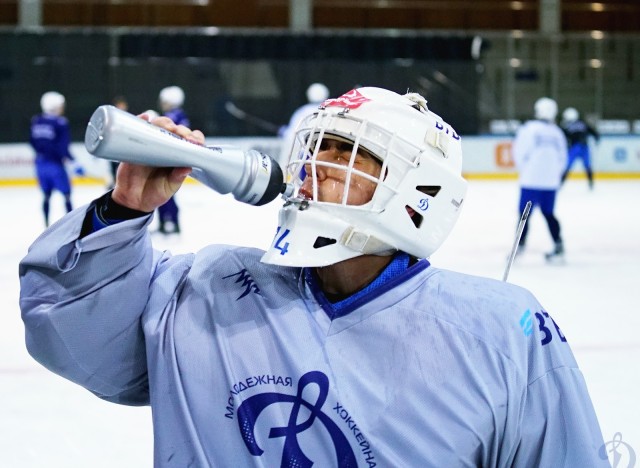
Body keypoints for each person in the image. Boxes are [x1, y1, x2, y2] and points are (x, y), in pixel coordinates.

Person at [19, 87, 607, 467]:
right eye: (311, 150)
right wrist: (122, 211)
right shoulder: (207, 287)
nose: (309, 171)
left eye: (343, 155)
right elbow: (74, 342)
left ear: (417, 193)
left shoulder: (505, 334)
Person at [512, 97, 568, 262]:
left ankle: (519, 247)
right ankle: (558, 245)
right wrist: (554, 175)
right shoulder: (557, 132)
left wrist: (526, 170)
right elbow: (563, 158)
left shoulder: (528, 129)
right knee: (549, 213)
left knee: (523, 215)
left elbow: (519, 153)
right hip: (550, 183)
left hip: (530, 180)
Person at [29, 91, 83, 227]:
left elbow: (32, 142)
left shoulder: (37, 120)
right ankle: (71, 225)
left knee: (46, 195)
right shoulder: (61, 123)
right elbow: (62, 147)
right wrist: (73, 161)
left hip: (40, 164)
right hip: (55, 166)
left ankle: (46, 226)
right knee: (66, 194)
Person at [156, 85, 190, 234]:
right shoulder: (179, 115)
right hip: (172, 159)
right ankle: (169, 222)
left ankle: (169, 222)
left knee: (164, 193)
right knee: (164, 193)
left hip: (168, 159)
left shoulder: (172, 117)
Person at [279, 82, 330, 167]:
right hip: (325, 156)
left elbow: (291, 135)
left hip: (304, 156)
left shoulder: (302, 112)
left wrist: (284, 132)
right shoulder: (331, 111)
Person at [560, 107, 600, 189]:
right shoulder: (582, 123)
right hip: (584, 147)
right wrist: (596, 138)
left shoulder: (566, 126)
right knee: (587, 165)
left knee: (567, 166)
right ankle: (591, 183)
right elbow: (594, 132)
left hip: (575, 148)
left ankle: (560, 183)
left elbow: (562, 137)